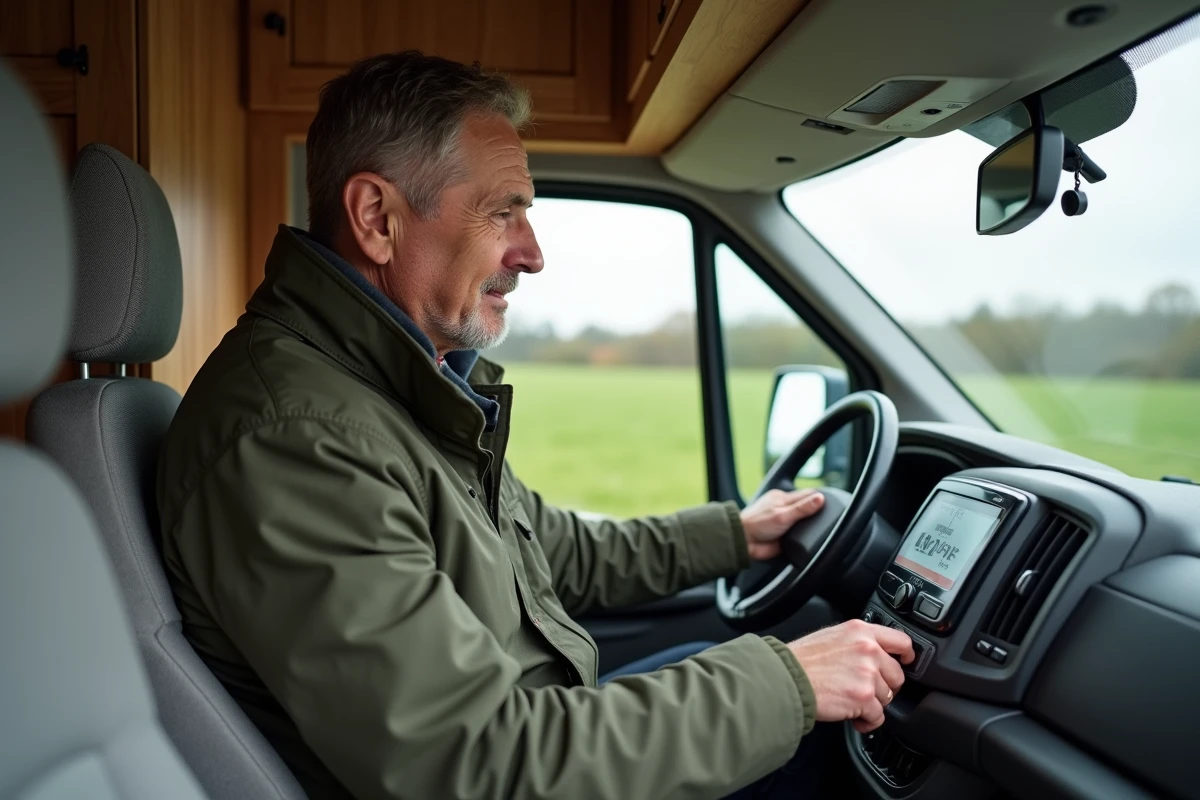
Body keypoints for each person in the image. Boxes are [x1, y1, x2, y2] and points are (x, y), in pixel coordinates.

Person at [157, 51, 913, 800]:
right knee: (827, 739)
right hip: (511, 763)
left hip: (532, 735)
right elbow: (475, 762)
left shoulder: (394, 389)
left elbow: (544, 550)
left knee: (721, 663)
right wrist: (790, 683)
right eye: (502, 212)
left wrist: (736, 535)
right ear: (377, 218)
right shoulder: (297, 438)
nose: (532, 254)